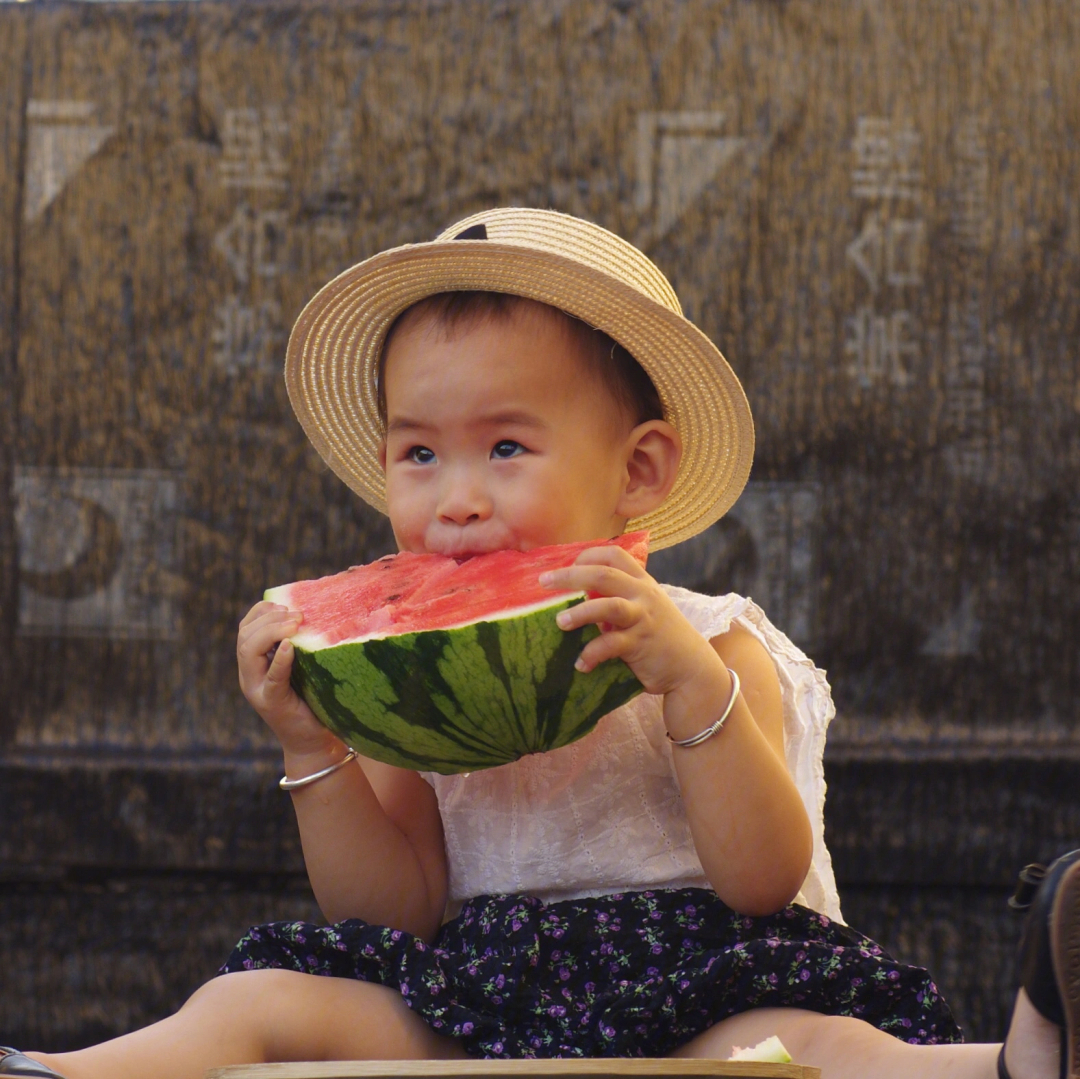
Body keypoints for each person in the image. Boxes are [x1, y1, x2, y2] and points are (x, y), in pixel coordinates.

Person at [5, 209, 1077, 1079]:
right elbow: (396, 911)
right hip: (478, 998)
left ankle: (1017, 1059)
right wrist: (311, 743)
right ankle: (65, 1070)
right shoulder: (405, 685)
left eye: (506, 445)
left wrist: (688, 685)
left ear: (640, 470)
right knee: (253, 1000)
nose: (457, 500)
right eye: (418, 452)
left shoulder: (715, 642)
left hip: (697, 984)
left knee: (828, 1048)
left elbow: (763, 878)